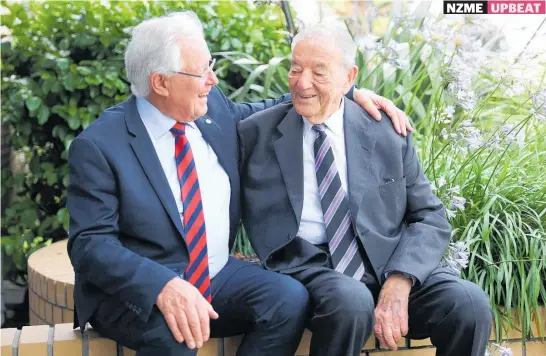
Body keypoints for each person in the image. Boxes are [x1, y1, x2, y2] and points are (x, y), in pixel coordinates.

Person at [66, 11, 409, 356]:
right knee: (177, 336)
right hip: (137, 292)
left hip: (215, 274)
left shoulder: (212, 110)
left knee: (287, 299)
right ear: (161, 83)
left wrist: (348, 92)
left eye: (209, 65)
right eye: (201, 71)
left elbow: (283, 105)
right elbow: (90, 245)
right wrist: (163, 285)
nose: (212, 79)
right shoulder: (100, 146)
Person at [238, 23, 493, 356]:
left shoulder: (387, 131)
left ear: (349, 76)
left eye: (319, 72)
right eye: (295, 68)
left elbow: (429, 215)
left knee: (469, 304)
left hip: (388, 262)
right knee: (351, 301)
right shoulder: (256, 133)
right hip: (310, 266)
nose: (302, 83)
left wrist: (401, 277)